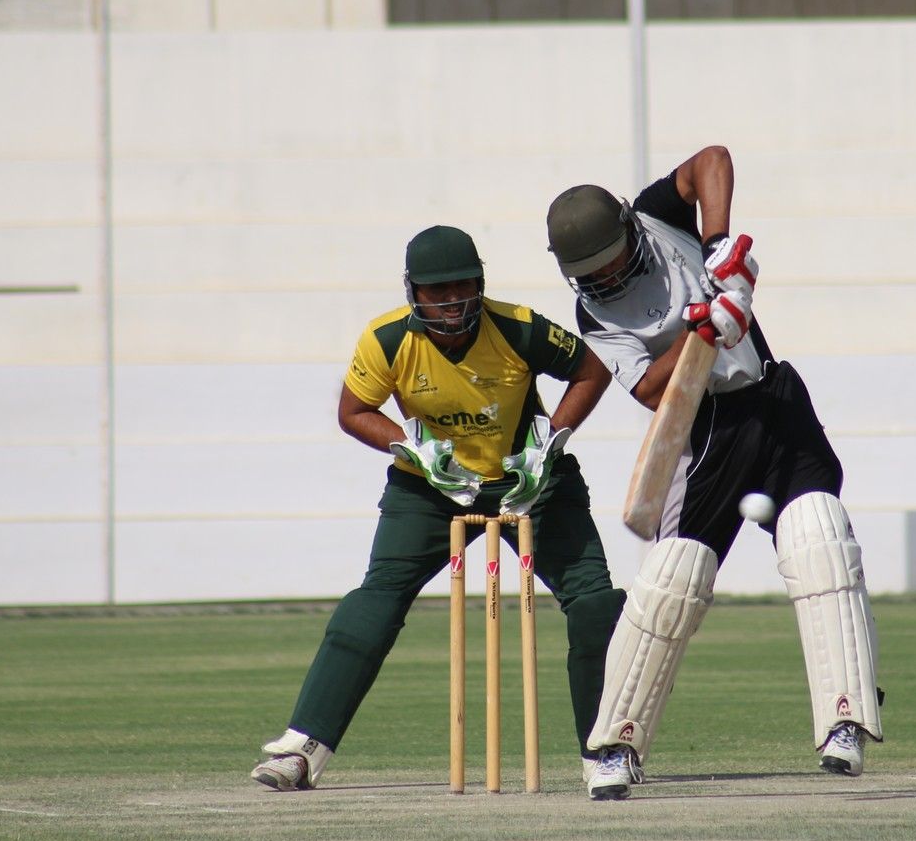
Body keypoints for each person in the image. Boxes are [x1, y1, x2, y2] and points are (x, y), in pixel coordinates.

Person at [544, 145, 883, 801]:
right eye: (592, 273)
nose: (607, 278)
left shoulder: (657, 215)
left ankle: (845, 719)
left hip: (773, 401)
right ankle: (615, 745)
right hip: (703, 429)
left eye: (612, 260)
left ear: (629, 229)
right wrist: (703, 328)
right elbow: (650, 391)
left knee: (820, 538)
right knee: (673, 580)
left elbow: (711, 160)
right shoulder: (594, 315)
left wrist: (717, 246)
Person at [251, 224, 626, 791]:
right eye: (437, 290)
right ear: (414, 292)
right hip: (430, 487)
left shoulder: (517, 326)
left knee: (595, 601)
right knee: (376, 598)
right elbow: (354, 411)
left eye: (462, 286)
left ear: (480, 284)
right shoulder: (386, 340)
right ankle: (303, 747)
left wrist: (549, 441)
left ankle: (606, 752)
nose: (452, 301)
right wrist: (410, 447)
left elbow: (591, 369)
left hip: (527, 478)